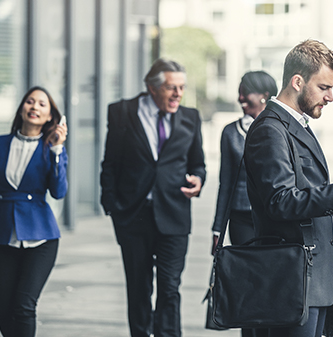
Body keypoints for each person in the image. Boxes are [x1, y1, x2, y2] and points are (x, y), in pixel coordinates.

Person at [244, 39, 333, 337]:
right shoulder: (270, 130)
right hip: (292, 280)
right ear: (297, 81)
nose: (331, 97)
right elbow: (281, 201)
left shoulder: (294, 125)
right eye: (324, 87)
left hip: (310, 279)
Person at [100, 58, 206, 337]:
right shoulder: (122, 112)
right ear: (151, 87)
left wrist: (198, 181)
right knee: (139, 288)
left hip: (174, 215)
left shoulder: (191, 117)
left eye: (181, 88)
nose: (178, 94)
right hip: (133, 216)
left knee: (170, 288)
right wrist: (112, 206)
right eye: (171, 88)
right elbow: (110, 163)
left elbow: (197, 164)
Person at [0, 86, 68, 337]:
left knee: (24, 306)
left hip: (42, 238)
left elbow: (58, 192)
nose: (34, 107)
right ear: (22, 108)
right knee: (3, 310)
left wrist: (58, 151)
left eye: (42, 104)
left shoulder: (52, 148)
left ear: (50, 117)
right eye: (30, 101)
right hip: (5, 237)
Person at [211, 71, 277, 337]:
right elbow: (224, 182)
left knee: (270, 282)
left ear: (264, 96)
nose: (240, 97)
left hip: (273, 218)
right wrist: (217, 229)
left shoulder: (279, 128)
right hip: (240, 220)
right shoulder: (230, 132)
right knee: (247, 283)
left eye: (245, 91)